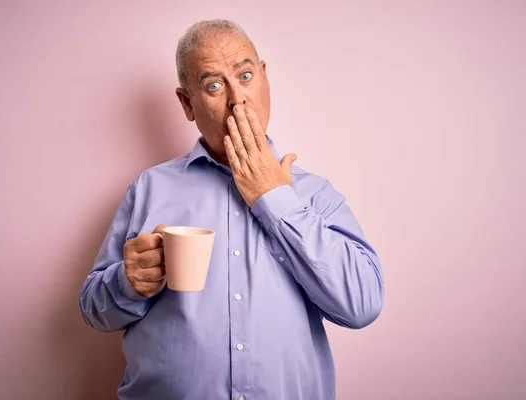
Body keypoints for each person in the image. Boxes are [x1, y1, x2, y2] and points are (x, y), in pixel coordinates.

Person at [79, 19, 384, 400]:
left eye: (245, 74)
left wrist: (274, 198)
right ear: (187, 103)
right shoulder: (149, 189)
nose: (238, 99)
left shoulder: (314, 194)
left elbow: (362, 305)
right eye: (214, 85)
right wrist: (126, 282)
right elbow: (93, 308)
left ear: (265, 78)